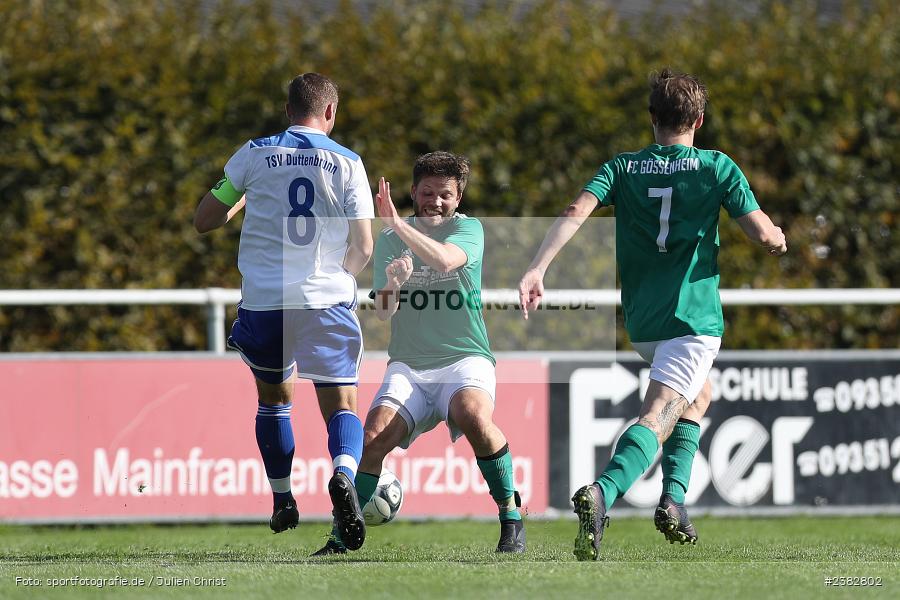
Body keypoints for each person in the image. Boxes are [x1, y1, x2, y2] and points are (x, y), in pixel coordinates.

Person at [518, 68, 787, 560]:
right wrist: (778, 239)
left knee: (698, 395)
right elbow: (762, 234)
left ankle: (673, 501)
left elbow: (576, 212)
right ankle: (603, 493)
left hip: (643, 321)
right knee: (660, 413)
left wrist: (538, 268)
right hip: (692, 321)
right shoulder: (717, 167)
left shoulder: (622, 167)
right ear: (699, 120)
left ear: (652, 119)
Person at [193, 72, 374, 550]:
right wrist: (344, 279)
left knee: (274, 400)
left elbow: (204, 220)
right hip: (325, 299)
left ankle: (282, 497)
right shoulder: (349, 162)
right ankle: (342, 475)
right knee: (342, 404)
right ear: (330, 112)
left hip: (266, 301)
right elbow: (364, 245)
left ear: (287, 110)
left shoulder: (253, 153)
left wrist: (243, 198)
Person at [314, 151, 526, 555]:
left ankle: (510, 517)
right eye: (427, 192)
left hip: (464, 358)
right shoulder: (392, 240)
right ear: (413, 192)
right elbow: (382, 312)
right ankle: (340, 538)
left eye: (445, 195)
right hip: (409, 365)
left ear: (458, 199)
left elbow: (445, 259)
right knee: (372, 437)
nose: (435, 201)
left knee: (473, 416)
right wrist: (393, 283)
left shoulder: (469, 230)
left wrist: (395, 223)